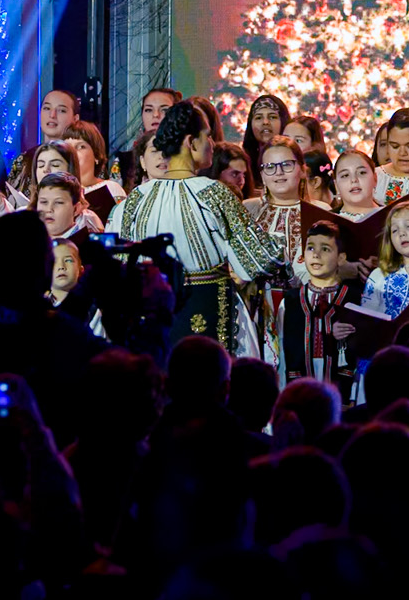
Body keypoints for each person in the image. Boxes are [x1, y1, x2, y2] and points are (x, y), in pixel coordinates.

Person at [118, 100, 284, 352]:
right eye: (207, 136)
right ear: (191, 142)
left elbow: (122, 267)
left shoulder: (135, 200)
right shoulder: (215, 194)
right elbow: (259, 259)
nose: (212, 143)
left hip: (153, 321)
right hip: (207, 315)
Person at [285, 220, 360, 397]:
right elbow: (285, 346)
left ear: (341, 258)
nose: (316, 255)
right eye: (310, 248)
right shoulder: (292, 300)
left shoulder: (353, 299)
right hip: (300, 387)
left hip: (341, 386)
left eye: (325, 249)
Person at [245, 137, 309, 268]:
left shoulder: (320, 211)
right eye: (270, 167)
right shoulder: (248, 209)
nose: (279, 172)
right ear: (262, 175)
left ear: (302, 170)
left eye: (286, 165)